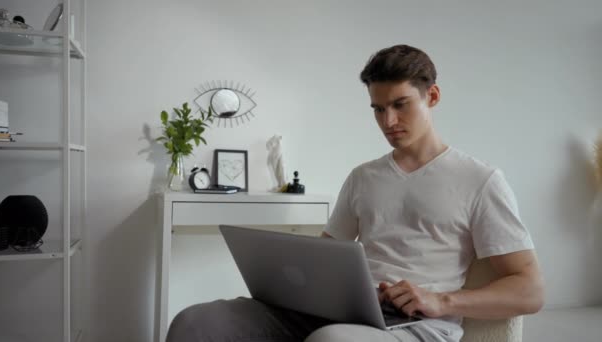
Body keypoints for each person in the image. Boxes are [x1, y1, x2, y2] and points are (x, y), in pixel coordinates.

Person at [166, 44, 544, 342]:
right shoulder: (364, 176)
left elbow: (529, 290)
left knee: (334, 340)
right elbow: (327, 254)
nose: (388, 122)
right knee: (198, 322)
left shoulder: (480, 179)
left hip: (418, 327)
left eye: (400, 105)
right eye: (378, 109)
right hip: (341, 313)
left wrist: (440, 300)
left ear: (433, 96)